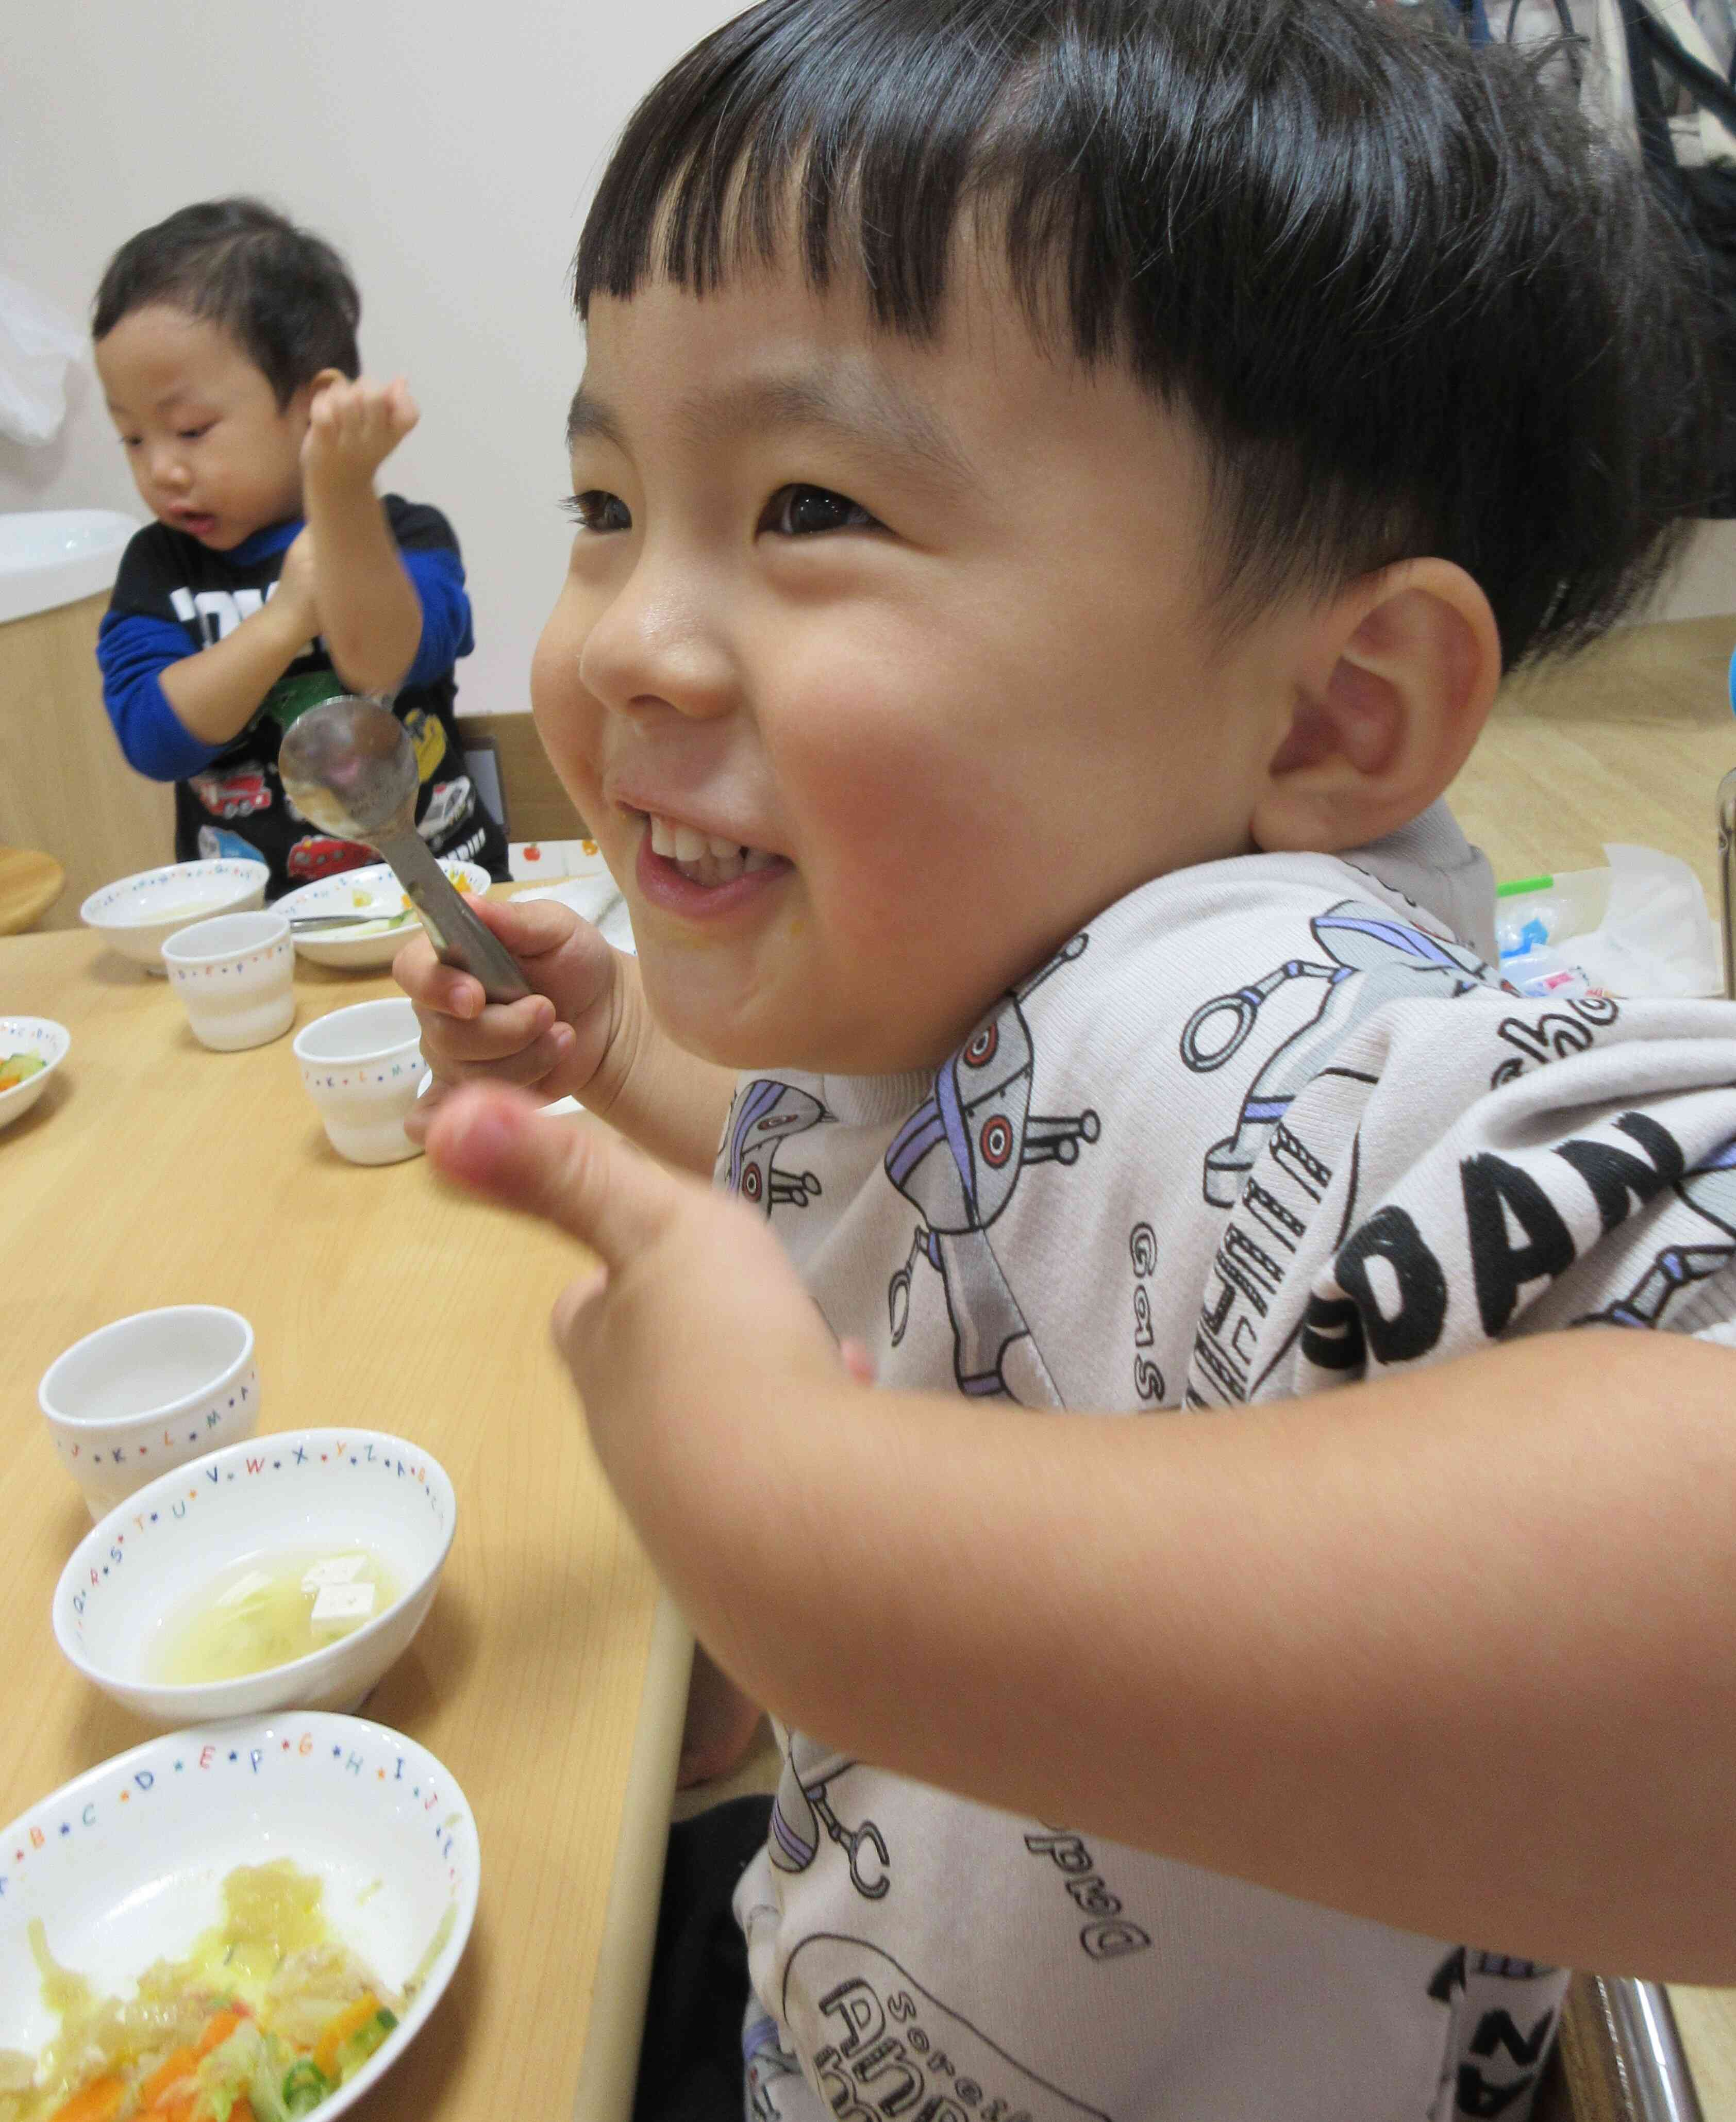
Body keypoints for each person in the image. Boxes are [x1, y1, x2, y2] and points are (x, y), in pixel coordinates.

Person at [401, 1, 1736, 2116]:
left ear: (1327, 720)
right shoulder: (986, 969)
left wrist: (823, 1549)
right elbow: (917, 1178)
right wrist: (618, 1058)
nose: (623, 639)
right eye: (603, 496)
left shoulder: (1243, 1013)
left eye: (808, 500)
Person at [91, 198, 506, 897]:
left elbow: (386, 661)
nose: (160, 468)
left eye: (190, 429)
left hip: (442, 897)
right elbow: (154, 738)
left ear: (314, 407)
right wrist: (284, 620)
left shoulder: (405, 535)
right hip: (256, 925)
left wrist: (340, 495)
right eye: (133, 438)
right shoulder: (160, 568)